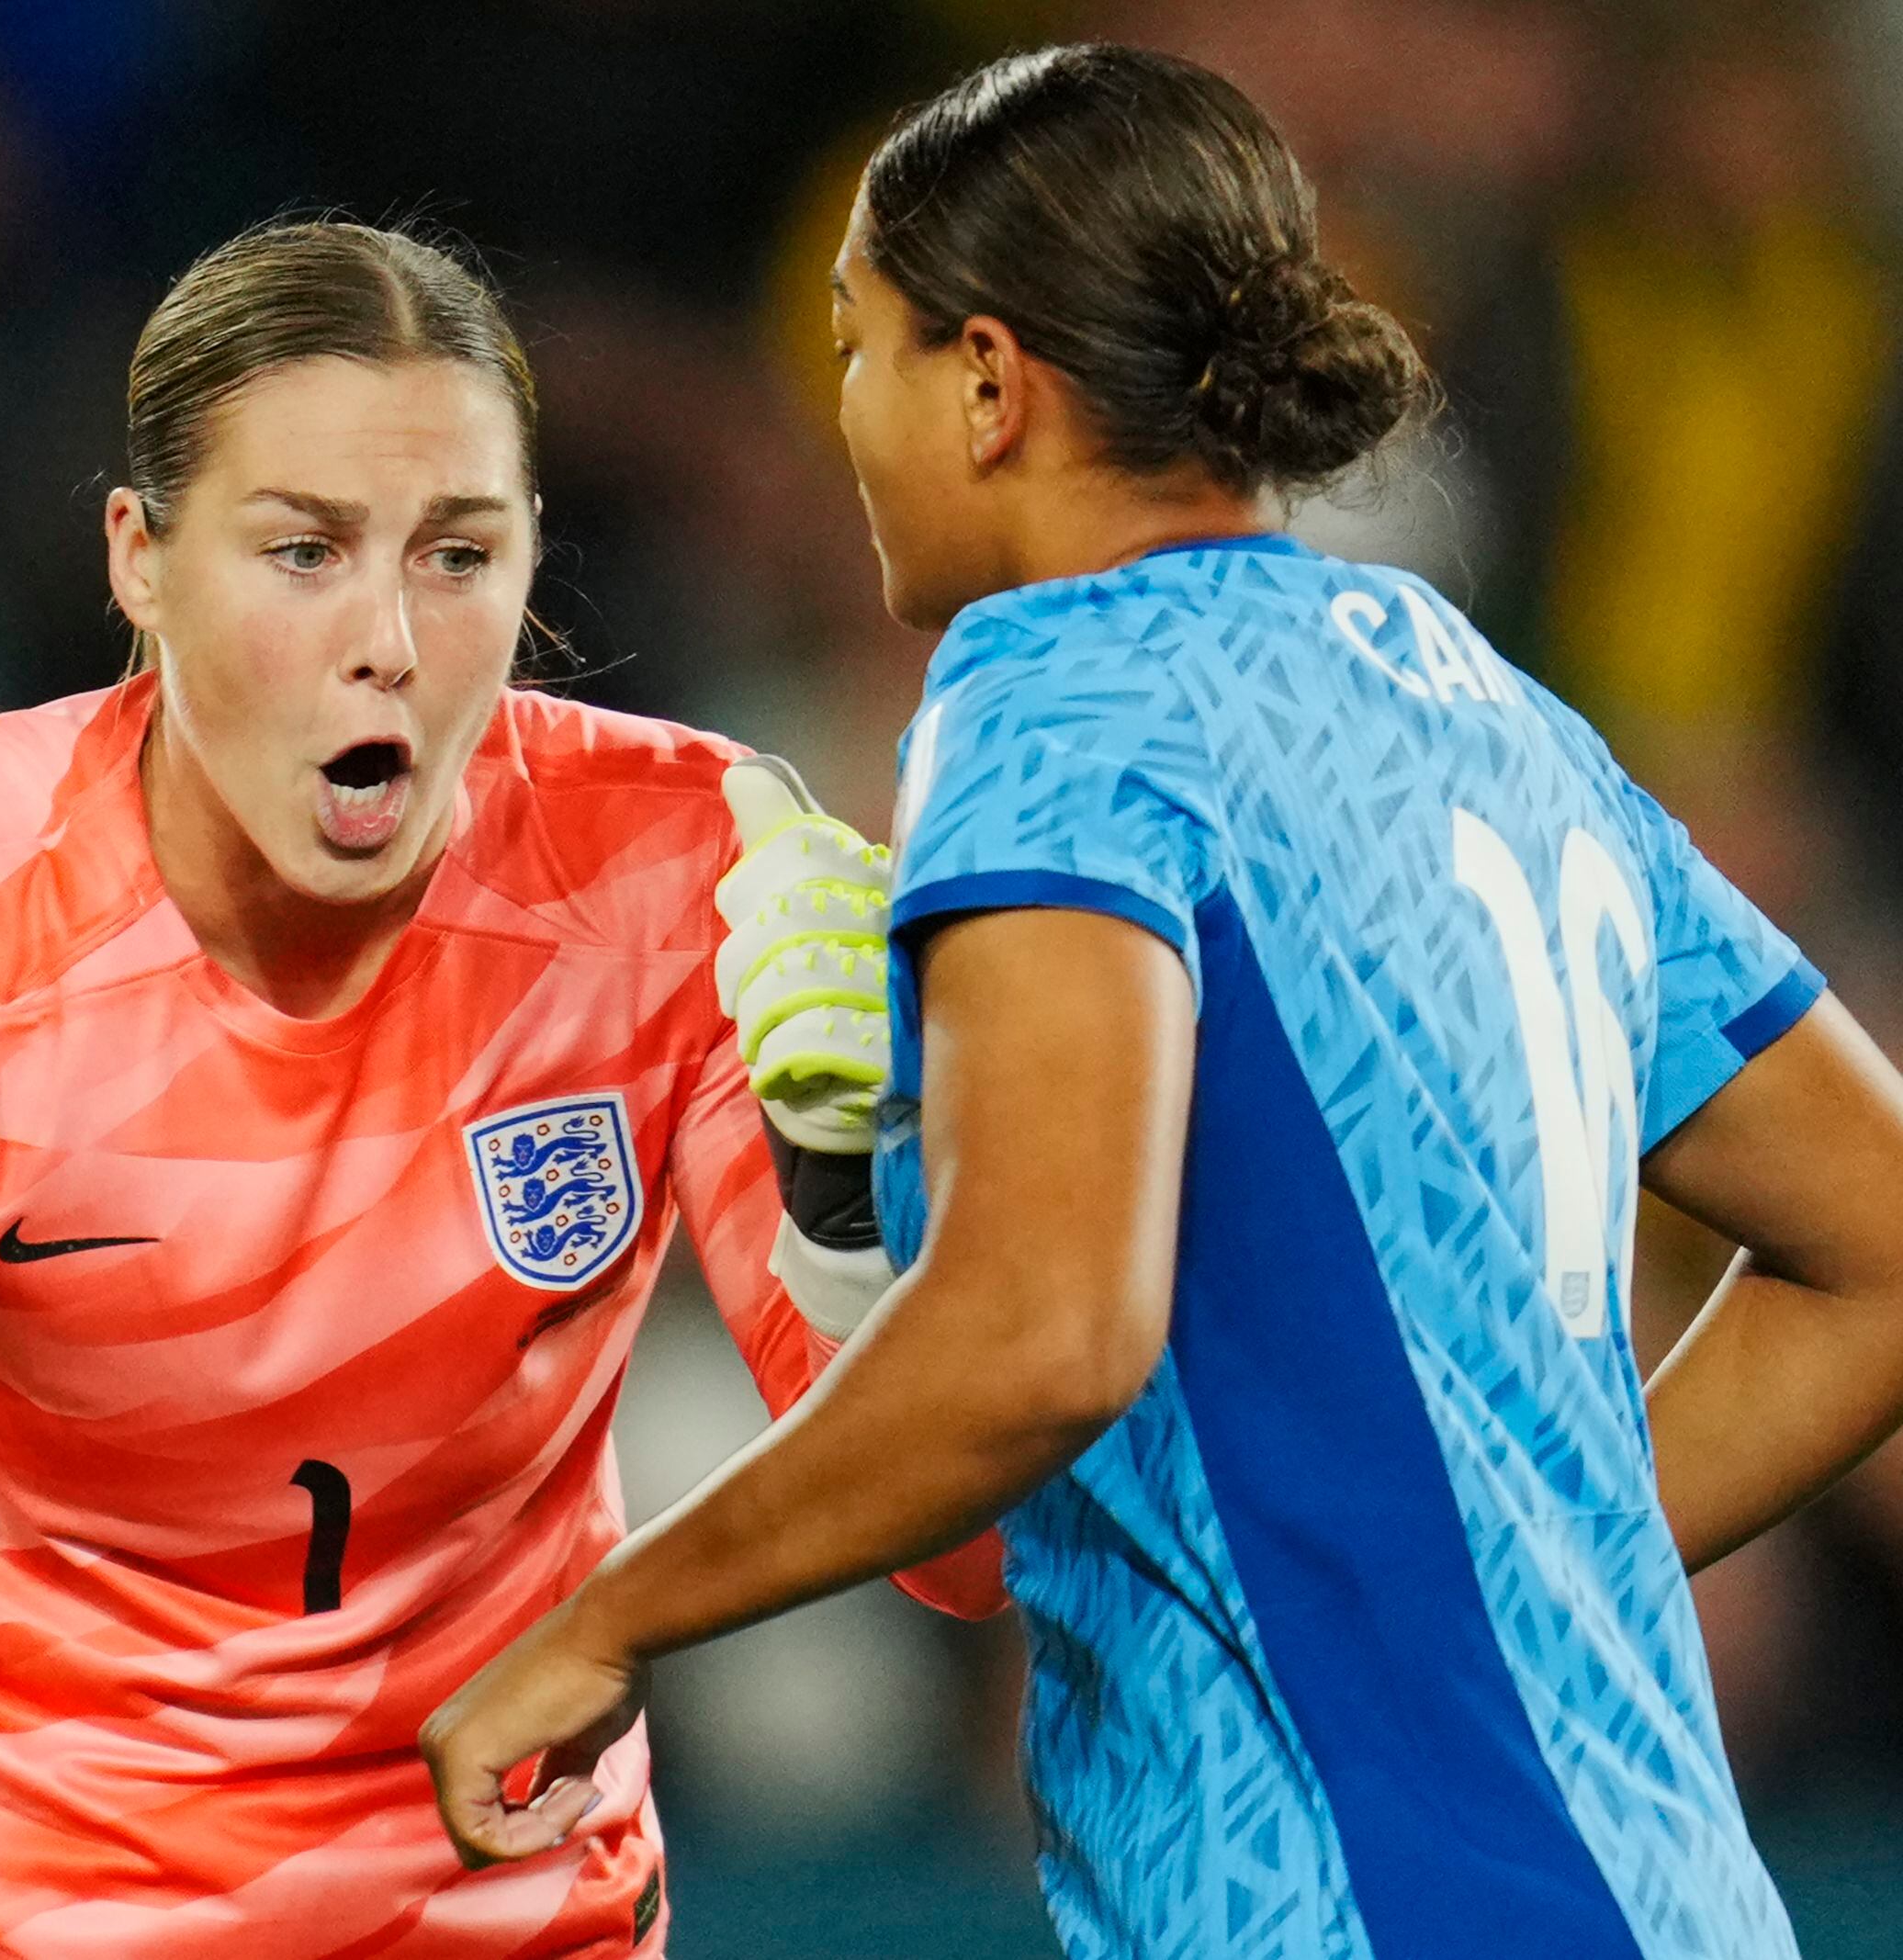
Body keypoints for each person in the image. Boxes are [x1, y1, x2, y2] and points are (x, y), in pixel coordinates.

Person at [421, 44, 1903, 1960]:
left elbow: (1046, 1326)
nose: (838, 413)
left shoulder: (1058, 690)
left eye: (854, 347)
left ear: (986, 383)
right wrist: (1511, 1586)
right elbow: (1880, 1238)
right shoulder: (1482, 703)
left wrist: (601, 1617)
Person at [0, 219, 1007, 1958]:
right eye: (302, 551)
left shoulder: (686, 870)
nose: (392, 640)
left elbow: (961, 1554)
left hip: (497, 1910)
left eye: (457, 553)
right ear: (140, 556)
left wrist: (856, 1207)